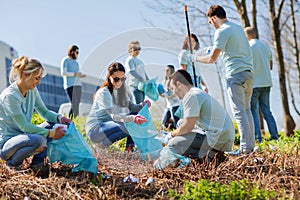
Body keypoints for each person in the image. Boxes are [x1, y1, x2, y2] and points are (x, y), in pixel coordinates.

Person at [191, 5, 254, 155]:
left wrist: (195, 58)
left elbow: (212, 58)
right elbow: (228, 47)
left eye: (209, 22)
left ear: (213, 18)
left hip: (235, 75)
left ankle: (245, 149)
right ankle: (250, 146)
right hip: (248, 74)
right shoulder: (238, 28)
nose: (211, 25)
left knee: (239, 113)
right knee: (246, 111)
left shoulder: (221, 31)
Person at [0, 56, 72, 171]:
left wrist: (60, 118)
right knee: (40, 140)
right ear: (25, 75)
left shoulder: (32, 90)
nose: (38, 82)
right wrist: (51, 133)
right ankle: (12, 164)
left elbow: (44, 112)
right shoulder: (10, 96)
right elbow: (24, 126)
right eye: (36, 78)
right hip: (7, 145)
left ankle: (37, 165)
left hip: (26, 136)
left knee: (56, 125)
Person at [157, 70, 234, 166]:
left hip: (217, 139)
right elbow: (188, 124)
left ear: (179, 84)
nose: (174, 93)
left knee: (174, 143)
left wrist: (171, 135)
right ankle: (211, 156)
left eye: (173, 88)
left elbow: (188, 127)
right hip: (223, 136)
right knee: (181, 127)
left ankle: (210, 157)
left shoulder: (191, 96)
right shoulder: (196, 92)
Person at [85, 62, 150, 151]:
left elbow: (132, 107)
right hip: (95, 129)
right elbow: (114, 116)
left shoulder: (121, 91)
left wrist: (142, 105)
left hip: (110, 125)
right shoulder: (104, 92)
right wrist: (133, 119)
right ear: (109, 77)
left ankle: (129, 149)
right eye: (116, 79)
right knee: (129, 126)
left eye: (122, 79)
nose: (119, 82)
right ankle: (100, 145)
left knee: (134, 117)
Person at [244, 27, 278, 143]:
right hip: (267, 83)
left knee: (254, 111)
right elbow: (271, 66)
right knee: (267, 111)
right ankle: (275, 137)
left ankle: (258, 138)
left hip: (254, 84)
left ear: (247, 35)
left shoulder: (248, 48)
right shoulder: (266, 47)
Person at [61, 45, 86, 119]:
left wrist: (80, 75)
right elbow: (64, 73)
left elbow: (77, 73)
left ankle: (75, 120)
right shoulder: (66, 60)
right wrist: (75, 74)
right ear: (72, 52)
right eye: (77, 52)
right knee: (74, 104)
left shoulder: (76, 63)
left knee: (77, 104)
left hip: (78, 85)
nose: (78, 54)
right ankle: (70, 120)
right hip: (70, 85)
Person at [160, 65, 180, 130]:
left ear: (172, 71)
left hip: (175, 105)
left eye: (168, 70)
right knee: (164, 123)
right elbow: (163, 92)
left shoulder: (176, 81)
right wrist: (160, 94)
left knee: (177, 124)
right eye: (165, 70)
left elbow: (176, 92)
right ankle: (170, 126)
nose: (166, 72)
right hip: (169, 105)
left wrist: (167, 96)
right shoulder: (164, 81)